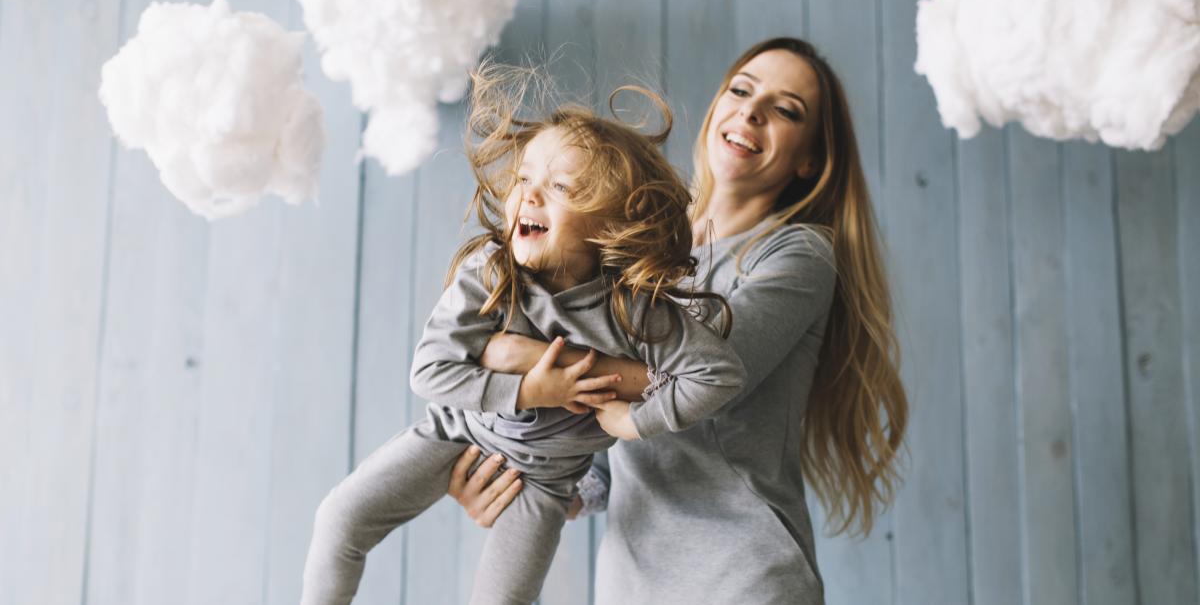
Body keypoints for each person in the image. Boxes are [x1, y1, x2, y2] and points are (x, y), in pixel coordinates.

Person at [450, 38, 908, 604]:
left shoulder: (795, 253)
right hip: (630, 583)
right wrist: (526, 482)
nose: (751, 110)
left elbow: (717, 377)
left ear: (808, 159)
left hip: (743, 580)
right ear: (717, 108)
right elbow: (612, 440)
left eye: (786, 109)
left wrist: (512, 357)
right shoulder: (636, 253)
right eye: (740, 90)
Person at [299, 63, 747, 605]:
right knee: (338, 520)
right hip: (457, 433)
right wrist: (531, 391)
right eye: (524, 179)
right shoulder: (490, 272)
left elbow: (719, 375)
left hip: (546, 482)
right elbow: (429, 372)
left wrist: (633, 420)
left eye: (559, 187)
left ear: (608, 225)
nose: (529, 196)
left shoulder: (636, 310)